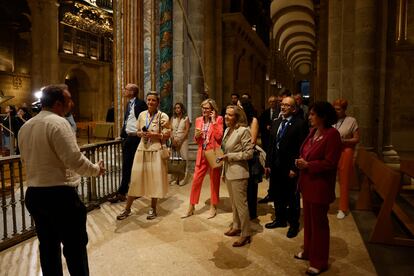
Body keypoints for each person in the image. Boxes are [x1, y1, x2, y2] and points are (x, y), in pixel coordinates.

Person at [18, 84, 105, 276]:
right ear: (58, 103)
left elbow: (27, 159)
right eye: (69, 100)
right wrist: (96, 170)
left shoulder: (26, 127)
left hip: (34, 194)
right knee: (75, 249)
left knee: (48, 248)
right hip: (60, 196)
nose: (72, 103)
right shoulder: (58, 123)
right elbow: (74, 160)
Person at [294, 101, 342, 275]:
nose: (310, 116)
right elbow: (305, 151)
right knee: (308, 222)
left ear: (323, 116)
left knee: (319, 224)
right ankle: (308, 252)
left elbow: (330, 163)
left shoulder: (333, 135)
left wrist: (308, 165)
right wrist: (300, 163)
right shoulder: (313, 132)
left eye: (313, 114)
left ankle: (319, 261)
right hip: (308, 183)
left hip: (320, 186)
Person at [117, 92, 170, 220]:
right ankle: (127, 209)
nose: (150, 102)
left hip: (156, 150)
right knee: (135, 179)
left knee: (155, 180)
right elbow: (139, 131)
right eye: (149, 100)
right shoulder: (141, 115)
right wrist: (141, 134)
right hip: (141, 149)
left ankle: (153, 208)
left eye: (153, 100)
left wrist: (154, 135)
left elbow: (167, 135)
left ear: (158, 102)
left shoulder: (163, 116)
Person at [264, 97, 308, 238]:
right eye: (282, 104)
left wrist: (295, 169)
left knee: (291, 197)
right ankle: (280, 219)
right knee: (277, 194)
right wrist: (268, 164)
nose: (283, 107)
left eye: (287, 105)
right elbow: (271, 145)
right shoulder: (276, 122)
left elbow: (302, 149)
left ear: (294, 109)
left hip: (289, 167)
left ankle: (294, 225)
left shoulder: (300, 124)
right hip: (275, 166)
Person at [182, 98, 223, 219]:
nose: (204, 110)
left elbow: (219, 137)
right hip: (202, 153)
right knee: (196, 180)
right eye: (203, 108)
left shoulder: (219, 119)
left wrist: (214, 121)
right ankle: (191, 206)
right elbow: (197, 140)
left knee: (214, 181)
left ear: (212, 110)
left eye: (207, 108)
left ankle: (213, 206)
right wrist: (196, 136)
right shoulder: (198, 120)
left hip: (213, 153)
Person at [221, 105, 254, 247]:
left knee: (241, 205)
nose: (226, 117)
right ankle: (236, 226)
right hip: (229, 170)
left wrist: (230, 156)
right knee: (233, 203)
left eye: (230, 115)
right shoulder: (228, 130)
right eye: (225, 114)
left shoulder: (244, 131)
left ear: (237, 117)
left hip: (239, 172)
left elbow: (249, 154)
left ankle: (246, 233)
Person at [108, 84, 147, 203]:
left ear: (132, 91)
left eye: (126, 89)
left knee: (136, 166)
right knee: (126, 166)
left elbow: (144, 120)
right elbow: (127, 121)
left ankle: (135, 191)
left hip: (136, 139)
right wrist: (122, 135)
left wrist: (144, 136)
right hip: (128, 139)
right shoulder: (129, 104)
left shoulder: (140, 103)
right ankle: (122, 192)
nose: (124, 91)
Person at [333, 99, 360, 219]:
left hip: (346, 151)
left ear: (344, 109)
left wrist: (344, 141)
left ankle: (343, 208)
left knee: (344, 181)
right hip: (332, 151)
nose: (336, 111)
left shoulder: (351, 121)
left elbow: (356, 139)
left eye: (338, 109)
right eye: (334, 108)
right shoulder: (330, 119)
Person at [240, 99, 261, 220]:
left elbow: (252, 141)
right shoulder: (241, 121)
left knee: (251, 187)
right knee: (243, 186)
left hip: (250, 156)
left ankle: (252, 212)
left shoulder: (253, 120)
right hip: (241, 155)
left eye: (239, 106)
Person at [170, 102, 191, 185]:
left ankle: (184, 178)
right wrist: (172, 139)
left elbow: (187, 130)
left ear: (182, 109)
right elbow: (170, 130)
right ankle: (175, 178)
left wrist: (181, 140)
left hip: (183, 140)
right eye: (175, 108)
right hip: (174, 140)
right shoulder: (172, 118)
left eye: (178, 108)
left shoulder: (186, 118)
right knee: (175, 159)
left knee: (184, 158)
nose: (177, 109)